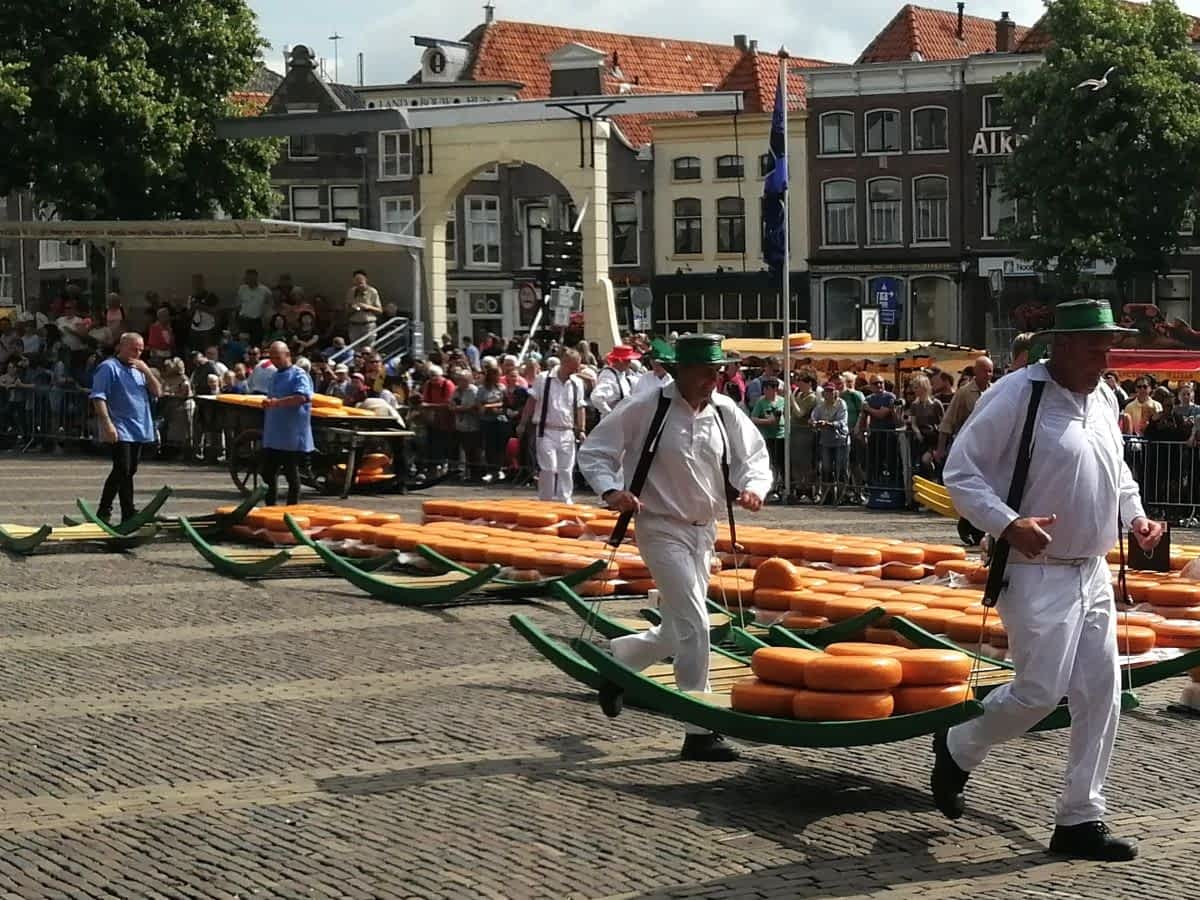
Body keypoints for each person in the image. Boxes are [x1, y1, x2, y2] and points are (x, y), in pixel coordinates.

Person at [937, 298, 1164, 861]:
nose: (1105, 356)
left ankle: (1080, 818)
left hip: (1091, 570)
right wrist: (1009, 523)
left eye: (1109, 344)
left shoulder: (1106, 396)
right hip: (1033, 571)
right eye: (1094, 345)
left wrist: (1134, 516)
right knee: (1039, 694)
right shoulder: (1018, 395)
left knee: (1102, 693)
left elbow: (1118, 472)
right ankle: (959, 744)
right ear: (1060, 345)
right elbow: (960, 472)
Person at [578, 333, 772, 762]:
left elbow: (753, 457)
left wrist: (754, 488)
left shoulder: (725, 411)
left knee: (678, 626)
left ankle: (619, 665)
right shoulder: (648, 406)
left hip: (705, 531)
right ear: (680, 371)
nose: (713, 380)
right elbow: (595, 451)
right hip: (660, 527)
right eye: (705, 372)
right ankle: (698, 728)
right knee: (696, 624)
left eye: (718, 371)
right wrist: (611, 491)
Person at [90, 333, 162, 523]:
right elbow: (98, 397)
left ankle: (127, 512)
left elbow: (157, 391)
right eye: (133, 348)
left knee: (130, 470)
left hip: (138, 427)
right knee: (122, 468)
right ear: (121, 346)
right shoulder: (108, 367)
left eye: (140, 349)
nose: (137, 353)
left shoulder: (140, 369)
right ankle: (105, 510)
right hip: (120, 425)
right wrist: (107, 424)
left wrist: (146, 370)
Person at [518, 349, 587, 503]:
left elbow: (580, 407)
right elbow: (531, 402)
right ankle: (546, 500)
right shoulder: (543, 379)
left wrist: (581, 429)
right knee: (548, 468)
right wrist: (523, 423)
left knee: (566, 469)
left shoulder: (577, 383)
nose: (576, 370)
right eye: (574, 366)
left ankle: (565, 500)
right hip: (546, 430)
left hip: (567, 431)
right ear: (564, 362)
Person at [259, 341, 314, 507]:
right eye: (272, 357)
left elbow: (303, 397)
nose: (275, 361)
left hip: (291, 434)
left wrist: (277, 403)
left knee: (291, 473)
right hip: (274, 433)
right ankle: (270, 507)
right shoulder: (275, 375)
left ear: (288, 355)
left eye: (278, 357)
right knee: (268, 473)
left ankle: (292, 508)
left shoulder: (299, 375)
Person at [935, 356, 994, 465]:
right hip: (967, 446)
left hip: (989, 447)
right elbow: (948, 421)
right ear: (976, 371)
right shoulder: (963, 393)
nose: (988, 375)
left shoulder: (995, 391)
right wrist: (940, 449)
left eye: (990, 371)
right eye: (984, 371)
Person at [811, 381, 850, 503]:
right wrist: (813, 422)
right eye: (826, 391)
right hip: (826, 441)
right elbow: (814, 416)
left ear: (835, 392)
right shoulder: (821, 406)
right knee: (826, 468)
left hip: (841, 440)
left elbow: (842, 421)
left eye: (831, 391)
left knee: (841, 468)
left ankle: (843, 495)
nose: (828, 394)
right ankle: (829, 496)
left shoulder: (841, 404)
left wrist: (829, 424)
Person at [750, 377, 786, 498]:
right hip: (767, 436)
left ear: (775, 389)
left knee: (781, 463)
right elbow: (753, 418)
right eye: (764, 389)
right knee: (770, 463)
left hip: (781, 435)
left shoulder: (782, 401)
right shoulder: (761, 402)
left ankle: (781, 487)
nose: (765, 391)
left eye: (768, 389)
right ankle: (771, 488)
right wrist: (767, 421)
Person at [591, 345, 641, 418]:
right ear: (620, 360)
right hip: (612, 424)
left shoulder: (622, 374)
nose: (630, 363)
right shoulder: (608, 376)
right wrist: (610, 414)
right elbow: (596, 397)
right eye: (628, 360)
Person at [346, 270, 383, 344]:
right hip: (354, 326)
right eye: (356, 281)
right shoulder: (351, 292)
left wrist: (367, 307)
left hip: (368, 326)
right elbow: (347, 310)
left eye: (360, 281)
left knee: (368, 349)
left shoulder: (372, 292)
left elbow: (380, 310)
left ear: (365, 280)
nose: (359, 284)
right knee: (355, 349)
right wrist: (353, 308)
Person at [236, 269, 272, 345]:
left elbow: (270, 303)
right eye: (247, 277)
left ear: (256, 277)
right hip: (244, 320)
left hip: (257, 321)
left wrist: (266, 315)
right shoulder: (242, 289)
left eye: (251, 277)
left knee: (256, 343)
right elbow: (238, 304)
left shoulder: (265, 290)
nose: (248, 279)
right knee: (243, 343)